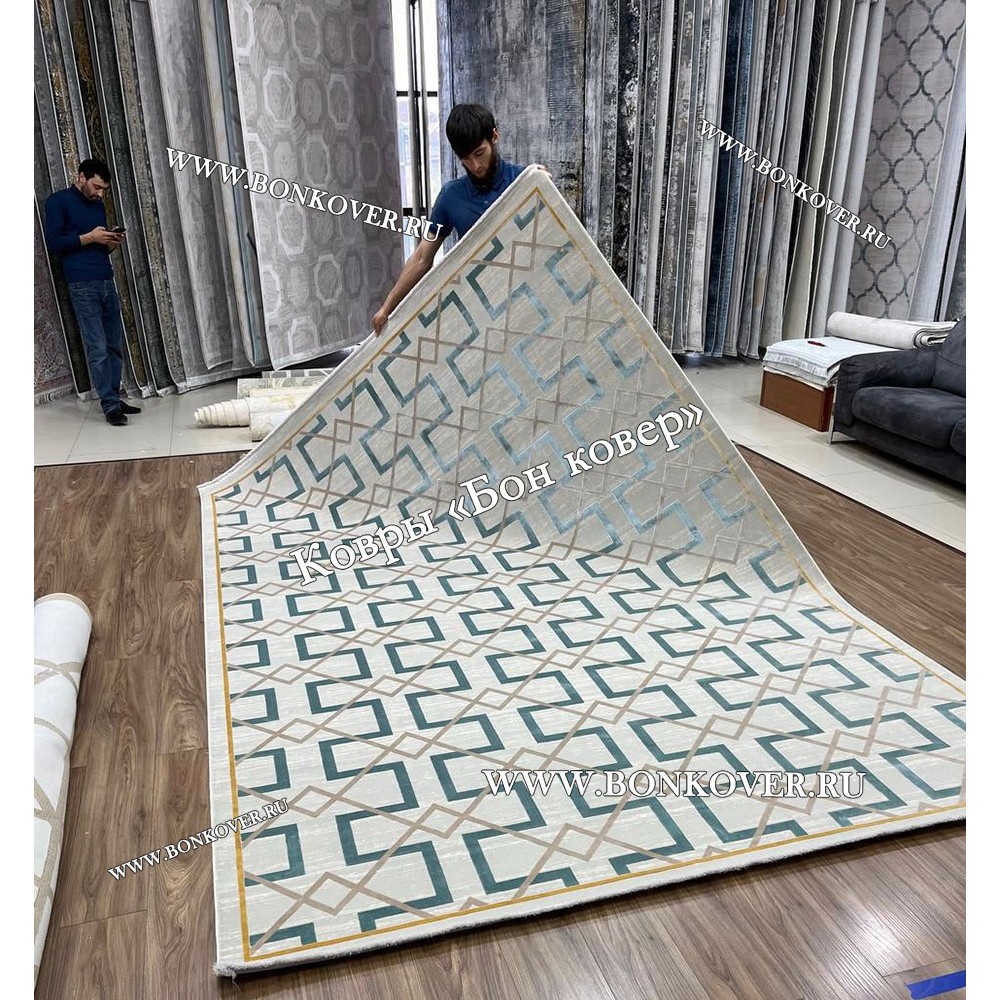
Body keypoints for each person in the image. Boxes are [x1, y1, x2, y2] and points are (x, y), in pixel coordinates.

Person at [372, 104, 535, 336]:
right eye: (465, 159)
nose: (476, 166)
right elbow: (421, 258)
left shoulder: (526, 182)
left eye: (479, 153)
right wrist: (387, 308)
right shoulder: (451, 196)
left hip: (527, 301)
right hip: (479, 308)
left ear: (494, 136)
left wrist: (542, 186)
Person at [43, 158, 141, 426]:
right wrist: (90, 237)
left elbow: (100, 247)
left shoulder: (97, 204)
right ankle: (109, 405)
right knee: (97, 347)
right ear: (81, 177)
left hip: (106, 278)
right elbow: (54, 243)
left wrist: (111, 242)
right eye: (97, 187)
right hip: (81, 283)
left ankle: (114, 397)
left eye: (104, 190)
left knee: (114, 345)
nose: (100, 194)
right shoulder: (58, 201)